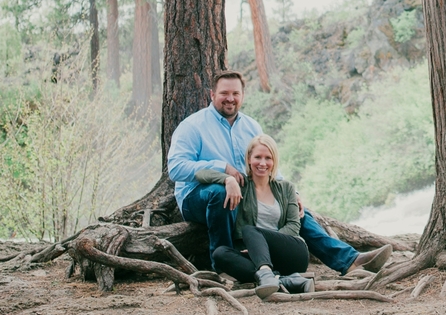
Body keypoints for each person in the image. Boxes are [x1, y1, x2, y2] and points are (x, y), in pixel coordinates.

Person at [167, 70, 392, 275]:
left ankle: (350, 261)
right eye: (224, 93)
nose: (230, 98)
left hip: (246, 192)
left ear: (243, 95)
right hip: (198, 196)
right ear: (212, 94)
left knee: (293, 209)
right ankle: (223, 269)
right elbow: (176, 168)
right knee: (219, 192)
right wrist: (223, 171)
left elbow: (265, 161)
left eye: (235, 93)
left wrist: (289, 193)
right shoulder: (193, 126)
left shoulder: (251, 126)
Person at [197, 134, 311, 297]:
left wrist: (261, 245)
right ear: (249, 159)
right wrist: (228, 179)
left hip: (291, 253)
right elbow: (200, 174)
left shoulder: (287, 188)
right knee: (220, 254)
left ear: (274, 161)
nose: (262, 163)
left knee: (250, 231)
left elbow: (293, 226)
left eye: (268, 158)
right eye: (258, 157)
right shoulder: (241, 185)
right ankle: (280, 280)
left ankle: (266, 273)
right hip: (254, 257)